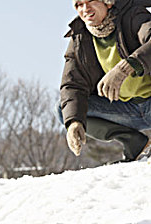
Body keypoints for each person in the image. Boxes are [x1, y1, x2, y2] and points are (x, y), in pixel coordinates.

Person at [56, 0, 151, 162]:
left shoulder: (133, 16)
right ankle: (134, 143)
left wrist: (126, 67)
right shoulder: (80, 37)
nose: (85, 9)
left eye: (90, 1)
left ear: (107, 3)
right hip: (128, 111)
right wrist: (74, 123)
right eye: (79, 5)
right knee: (67, 110)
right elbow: (72, 85)